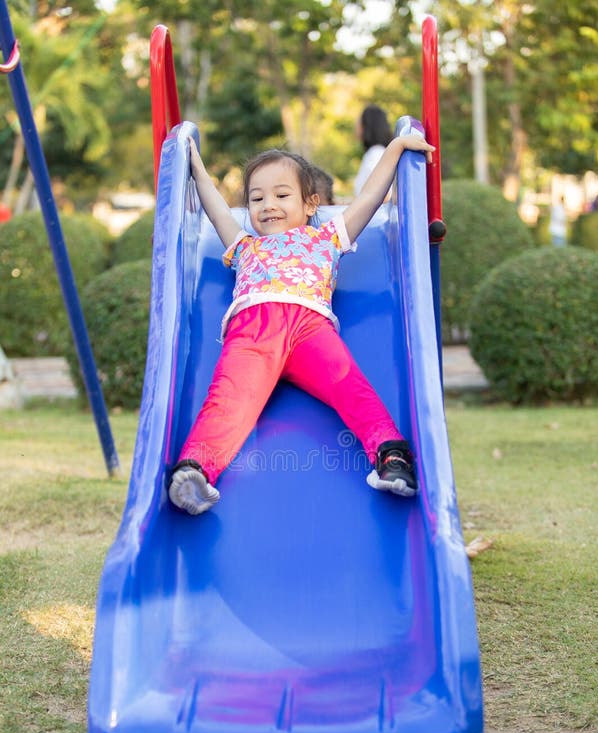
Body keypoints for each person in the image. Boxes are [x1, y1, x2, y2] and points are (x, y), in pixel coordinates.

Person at [169, 131, 434, 515]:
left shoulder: (326, 238)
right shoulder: (244, 246)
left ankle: (391, 455)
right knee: (229, 399)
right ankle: (196, 469)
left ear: (311, 204)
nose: (267, 205)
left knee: (350, 385)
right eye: (256, 199)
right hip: (253, 332)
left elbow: (370, 198)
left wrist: (394, 149)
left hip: (310, 329)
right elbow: (216, 210)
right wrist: (195, 165)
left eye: (281, 195)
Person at [354, 104, 393, 196]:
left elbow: (385, 195)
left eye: (359, 122)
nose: (356, 126)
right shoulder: (374, 153)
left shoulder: (376, 154)